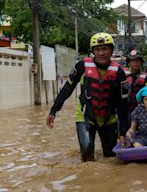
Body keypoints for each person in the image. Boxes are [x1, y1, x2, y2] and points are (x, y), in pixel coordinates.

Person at [46, 33, 129, 161]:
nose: (101, 53)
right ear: (93, 51)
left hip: (109, 118)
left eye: (105, 49)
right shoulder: (81, 66)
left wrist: (123, 131)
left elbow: (123, 103)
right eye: (98, 49)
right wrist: (54, 110)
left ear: (111, 50)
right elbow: (67, 88)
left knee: (111, 157)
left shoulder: (120, 73)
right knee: (87, 156)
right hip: (85, 115)